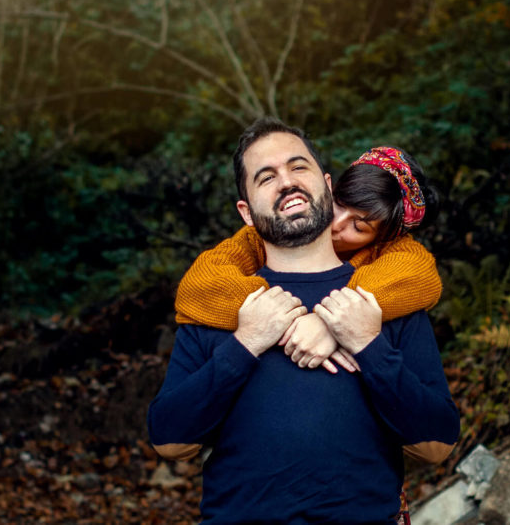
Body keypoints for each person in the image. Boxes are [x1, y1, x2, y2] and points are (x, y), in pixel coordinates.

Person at [147, 118, 460, 524]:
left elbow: (437, 446)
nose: (286, 181)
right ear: (246, 212)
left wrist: (366, 343)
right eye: (266, 177)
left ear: (327, 186)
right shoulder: (216, 302)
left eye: (298, 166)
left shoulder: (389, 298)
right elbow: (169, 441)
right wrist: (246, 342)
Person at [174, 145, 443, 373]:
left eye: (358, 226)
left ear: (380, 238)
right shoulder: (269, 235)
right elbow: (200, 284)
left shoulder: (386, 252)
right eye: (338, 203)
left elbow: (421, 274)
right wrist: (284, 321)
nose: (336, 223)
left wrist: (331, 323)